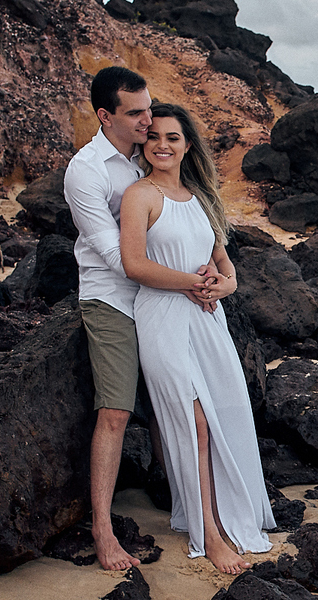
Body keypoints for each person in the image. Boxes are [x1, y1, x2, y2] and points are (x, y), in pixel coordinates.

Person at [64, 67, 218, 570]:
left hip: (163, 297)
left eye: (148, 108)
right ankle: (103, 530)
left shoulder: (151, 153)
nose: (146, 120)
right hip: (112, 298)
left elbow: (192, 228)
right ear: (105, 116)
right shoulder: (87, 171)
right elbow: (117, 257)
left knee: (180, 405)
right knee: (116, 410)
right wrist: (189, 284)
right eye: (135, 113)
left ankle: (185, 506)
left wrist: (215, 279)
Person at [119, 102, 276, 574]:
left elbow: (227, 269)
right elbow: (135, 265)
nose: (162, 145)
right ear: (144, 145)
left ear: (188, 146)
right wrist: (191, 283)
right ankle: (207, 533)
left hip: (208, 319)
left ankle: (229, 518)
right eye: (155, 137)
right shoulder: (138, 196)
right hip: (163, 317)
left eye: (173, 137)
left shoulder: (202, 197)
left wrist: (221, 285)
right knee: (195, 424)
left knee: (226, 415)